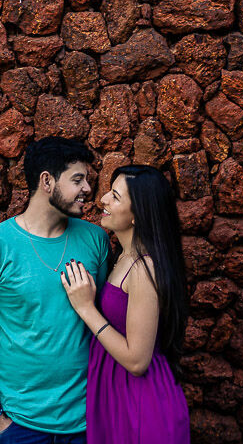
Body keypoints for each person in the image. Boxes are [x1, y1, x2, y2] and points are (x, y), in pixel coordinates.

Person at [0, 136, 110, 444]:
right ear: (47, 181)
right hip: (20, 426)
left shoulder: (96, 240)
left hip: (88, 421)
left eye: (87, 180)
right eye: (78, 179)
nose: (88, 189)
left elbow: (106, 319)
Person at [60, 164, 191, 444]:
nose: (103, 199)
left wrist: (86, 308)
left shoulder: (144, 268)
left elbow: (137, 360)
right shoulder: (122, 258)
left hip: (141, 407)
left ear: (138, 215)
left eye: (115, 197)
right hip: (119, 395)